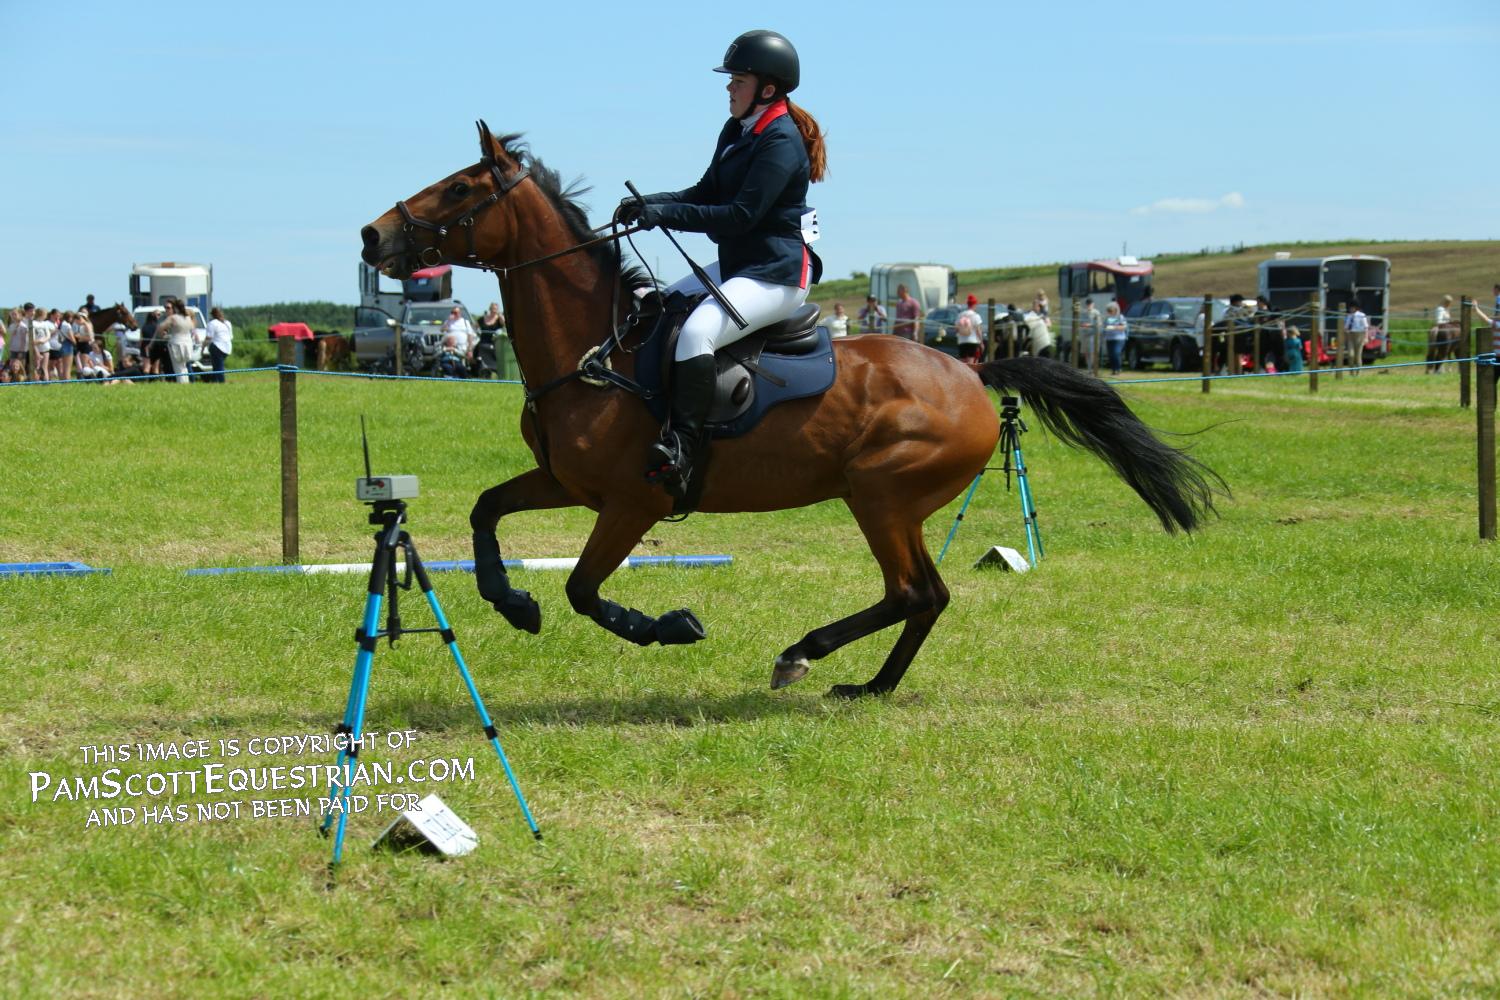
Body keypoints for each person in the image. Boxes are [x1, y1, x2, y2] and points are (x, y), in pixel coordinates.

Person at [612, 29, 826, 499]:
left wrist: (664, 215)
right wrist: (649, 203)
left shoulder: (781, 141)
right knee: (658, 309)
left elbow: (739, 216)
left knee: (697, 334)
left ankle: (683, 451)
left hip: (776, 275)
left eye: (738, 80)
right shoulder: (737, 130)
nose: (729, 87)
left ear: (766, 90)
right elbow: (704, 193)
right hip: (738, 266)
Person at [158, 299, 196, 383]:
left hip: (177, 343)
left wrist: (162, 335)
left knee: (178, 367)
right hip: (188, 343)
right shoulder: (188, 318)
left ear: (175, 308)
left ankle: (181, 383)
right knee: (184, 366)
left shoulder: (173, 318)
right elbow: (192, 329)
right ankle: (186, 383)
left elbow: (161, 327)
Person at [205, 307, 233, 383]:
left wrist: (202, 347)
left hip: (217, 347)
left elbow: (208, 338)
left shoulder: (212, 323)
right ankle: (214, 381)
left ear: (212, 315)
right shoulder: (227, 323)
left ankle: (222, 382)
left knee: (218, 366)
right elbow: (231, 337)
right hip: (227, 347)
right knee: (216, 365)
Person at [956, 293, 984, 361]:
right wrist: (981, 342)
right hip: (973, 341)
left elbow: (956, 328)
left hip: (962, 341)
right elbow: (978, 330)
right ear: (974, 305)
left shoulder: (960, 315)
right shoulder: (976, 316)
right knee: (971, 362)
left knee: (962, 362)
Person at [1102, 302, 1128, 375]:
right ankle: (1113, 369)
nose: (1110, 312)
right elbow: (1104, 327)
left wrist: (1114, 327)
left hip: (1119, 339)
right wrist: (1104, 330)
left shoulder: (1120, 317)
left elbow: (1123, 327)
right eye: (1108, 311)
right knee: (1111, 355)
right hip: (1109, 339)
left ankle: (1118, 368)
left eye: (1111, 311)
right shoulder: (1107, 318)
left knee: (1116, 353)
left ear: (1115, 310)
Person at [1343, 301, 1369, 371]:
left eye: (1352, 307)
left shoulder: (1362, 315)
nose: (1350, 309)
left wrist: (1366, 338)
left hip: (1360, 335)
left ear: (1355, 308)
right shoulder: (1349, 316)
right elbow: (1346, 327)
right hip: (1351, 336)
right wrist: (1346, 331)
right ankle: (1351, 371)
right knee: (1350, 355)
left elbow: (1366, 327)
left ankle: (1358, 371)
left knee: (1358, 355)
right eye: (1350, 308)